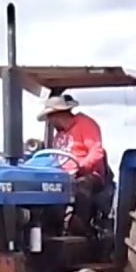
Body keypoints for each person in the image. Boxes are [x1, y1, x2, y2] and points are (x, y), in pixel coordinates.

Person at [37, 94, 108, 235]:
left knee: (81, 185)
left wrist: (81, 166)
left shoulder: (85, 124)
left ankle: (79, 227)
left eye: (51, 117)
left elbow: (97, 152)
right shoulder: (59, 135)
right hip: (62, 177)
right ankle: (46, 230)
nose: (51, 122)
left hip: (87, 175)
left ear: (59, 114)